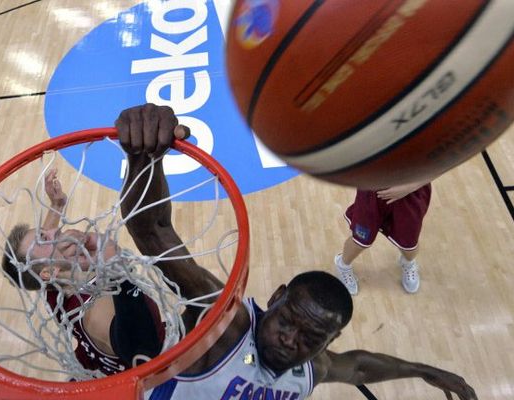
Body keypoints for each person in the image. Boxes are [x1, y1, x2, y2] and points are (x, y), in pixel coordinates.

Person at [109, 104, 476, 400]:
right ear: (276, 297)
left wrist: (425, 371)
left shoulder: (311, 368)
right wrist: (145, 154)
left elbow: (360, 366)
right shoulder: (224, 325)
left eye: (310, 338)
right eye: (286, 321)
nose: (290, 339)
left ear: (327, 343)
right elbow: (154, 232)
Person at [334, 182, 432, 295]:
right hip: (373, 190)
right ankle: (343, 265)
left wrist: (408, 188)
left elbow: (439, 167)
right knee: (361, 241)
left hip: (411, 193)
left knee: (409, 245)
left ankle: (408, 263)